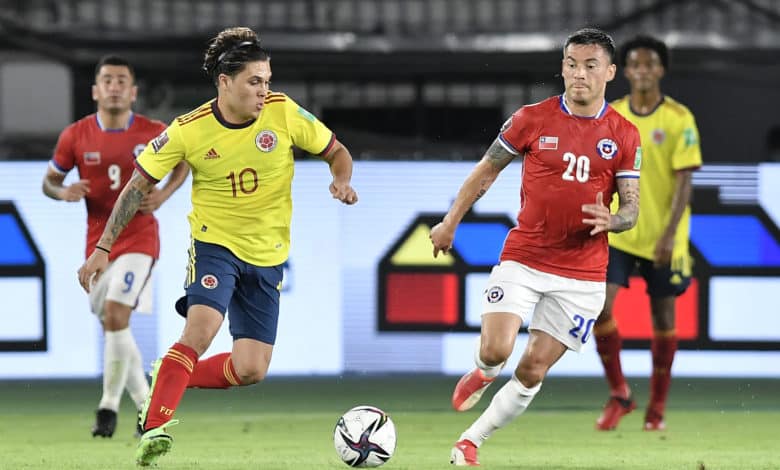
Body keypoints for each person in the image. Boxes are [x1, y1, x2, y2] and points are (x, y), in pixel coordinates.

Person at [76, 27, 358, 466]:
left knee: (251, 369)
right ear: (225, 82)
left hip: (268, 256)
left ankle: (170, 374)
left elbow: (337, 151)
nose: (264, 91)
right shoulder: (188, 130)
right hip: (215, 245)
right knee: (201, 330)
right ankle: (154, 428)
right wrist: (103, 247)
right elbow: (136, 186)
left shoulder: (283, 113)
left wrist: (340, 179)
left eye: (267, 81)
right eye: (254, 82)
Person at [430, 28, 641, 466]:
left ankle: (471, 440)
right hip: (525, 257)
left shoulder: (624, 134)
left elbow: (632, 209)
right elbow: (486, 171)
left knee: (531, 369)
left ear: (610, 72)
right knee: (497, 350)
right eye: (570, 64)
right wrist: (450, 223)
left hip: (583, 275)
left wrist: (614, 220)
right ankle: (484, 373)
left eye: (589, 65)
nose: (578, 74)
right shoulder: (531, 118)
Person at [42, 55, 189, 438]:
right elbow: (49, 182)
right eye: (107, 80)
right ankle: (112, 404)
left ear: (133, 91)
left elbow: (184, 162)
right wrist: (63, 191)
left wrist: (165, 195)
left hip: (140, 238)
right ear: (95, 90)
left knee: (115, 312)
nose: (114, 86)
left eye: (122, 80)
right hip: (98, 244)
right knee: (112, 323)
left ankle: (142, 410)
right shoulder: (75, 136)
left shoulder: (153, 131)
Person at [593, 35, 702, 432]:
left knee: (663, 317)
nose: (641, 70)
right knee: (599, 309)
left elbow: (685, 181)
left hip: (662, 236)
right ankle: (620, 393)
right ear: (624, 71)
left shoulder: (678, 118)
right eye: (634, 64)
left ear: (660, 70)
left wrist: (670, 235)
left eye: (649, 63)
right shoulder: (611, 115)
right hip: (620, 231)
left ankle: (656, 410)